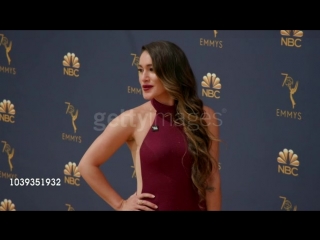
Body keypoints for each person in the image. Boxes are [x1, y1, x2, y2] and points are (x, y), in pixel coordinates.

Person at [78, 40, 221, 211]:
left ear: (172, 72)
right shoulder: (132, 118)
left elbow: (211, 178)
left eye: (151, 69)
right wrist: (121, 204)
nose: (143, 77)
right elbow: (87, 165)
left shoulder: (205, 116)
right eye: (140, 70)